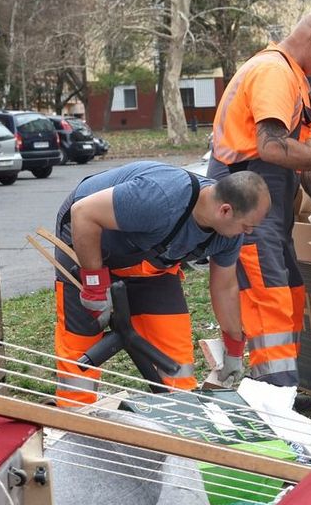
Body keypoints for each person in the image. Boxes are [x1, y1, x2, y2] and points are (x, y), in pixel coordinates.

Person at [207, 9, 311, 388]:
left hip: (269, 207)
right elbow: (271, 147)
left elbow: (299, 155)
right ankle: (276, 396)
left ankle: (281, 386)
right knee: (269, 298)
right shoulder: (273, 73)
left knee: (291, 292)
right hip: (246, 205)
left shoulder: (294, 79)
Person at [52, 161, 270, 407]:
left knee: (176, 357)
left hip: (150, 261)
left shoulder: (229, 235)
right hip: (88, 238)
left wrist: (233, 347)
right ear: (226, 210)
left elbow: (225, 287)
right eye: (247, 225)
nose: (248, 233)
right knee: (81, 345)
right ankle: (74, 416)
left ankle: (182, 416)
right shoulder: (162, 198)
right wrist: (94, 285)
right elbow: (83, 213)